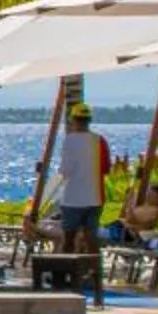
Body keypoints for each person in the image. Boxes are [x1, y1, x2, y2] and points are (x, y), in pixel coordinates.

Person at [55, 101, 109, 256]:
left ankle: (67, 273)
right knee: (91, 240)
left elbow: (66, 170)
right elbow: (105, 169)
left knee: (69, 241)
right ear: (89, 120)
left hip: (73, 198)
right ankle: (94, 273)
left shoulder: (70, 140)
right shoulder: (100, 141)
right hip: (95, 198)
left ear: (73, 120)